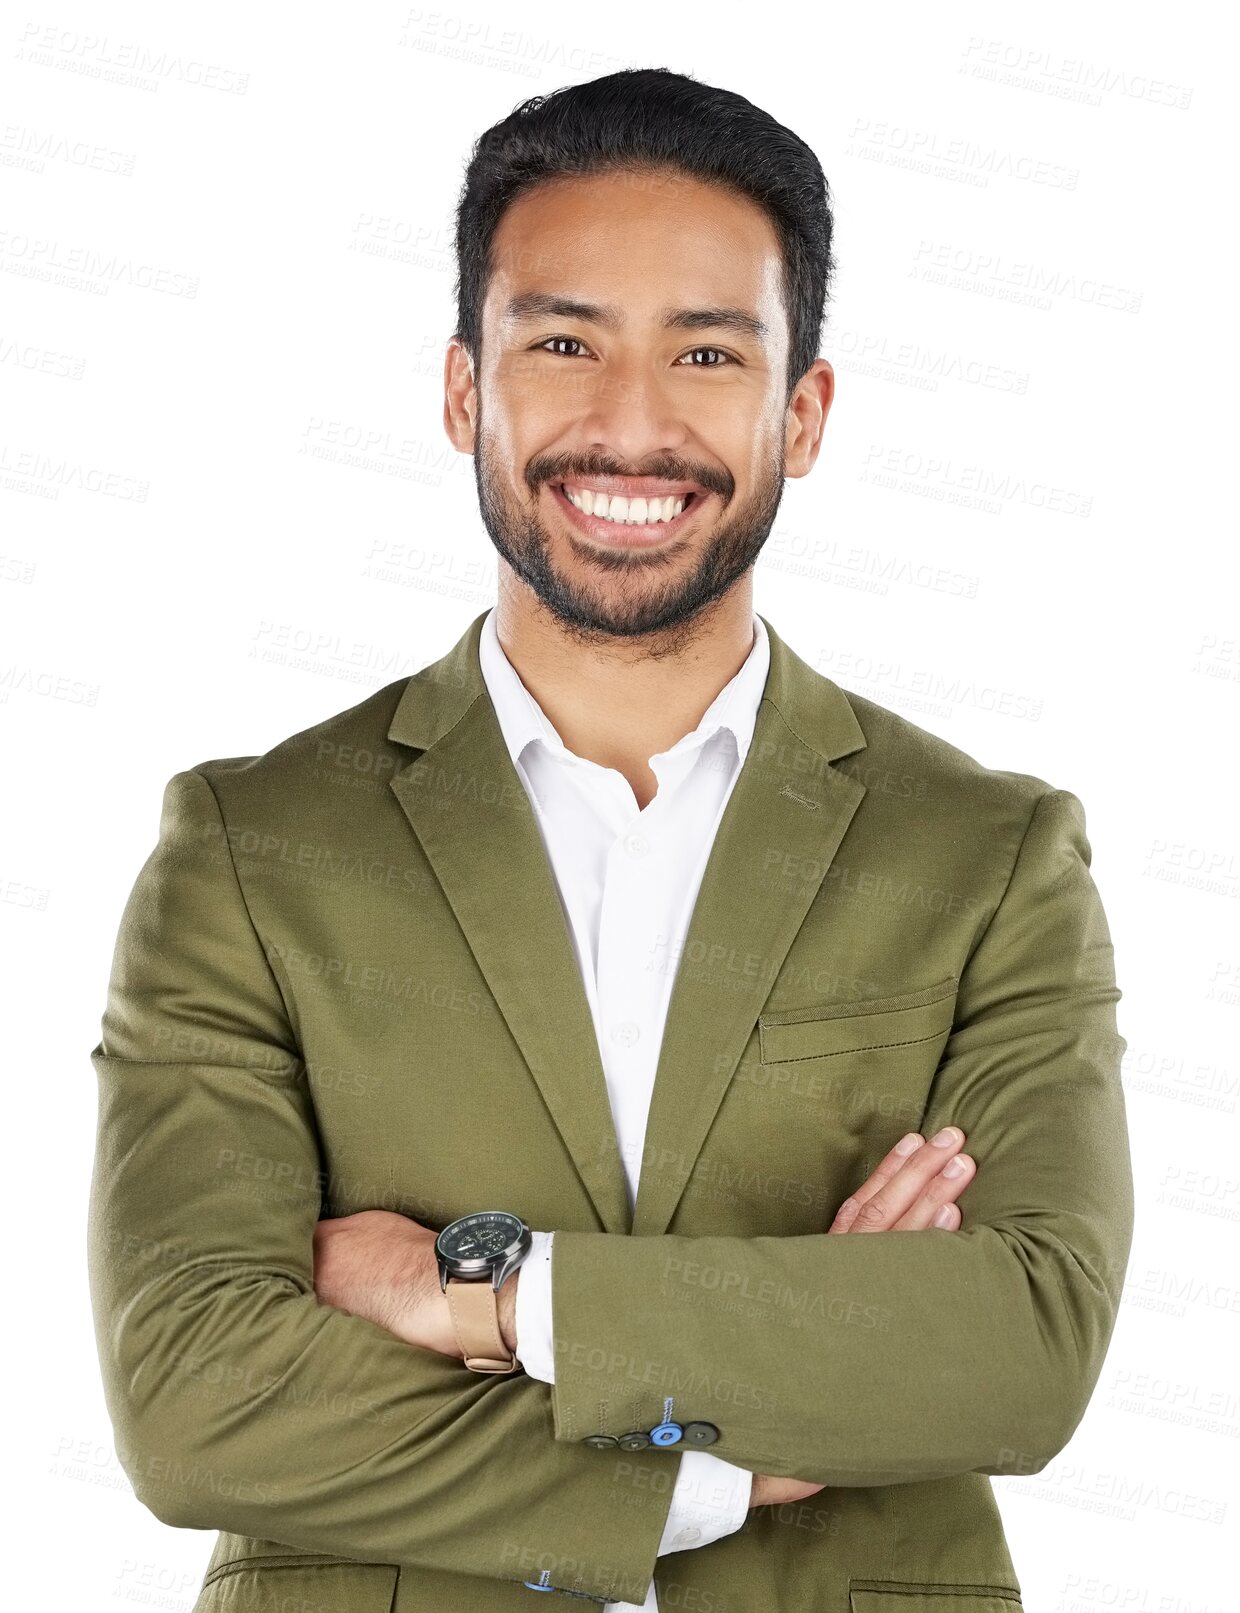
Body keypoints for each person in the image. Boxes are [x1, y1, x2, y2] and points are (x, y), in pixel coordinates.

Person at [88, 67, 1133, 1613]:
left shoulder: (989, 857)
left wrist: (493, 1299)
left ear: (806, 408)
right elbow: (194, 1395)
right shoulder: (249, 848)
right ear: (463, 390)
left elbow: (1022, 1349)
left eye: (706, 351)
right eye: (564, 341)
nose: (631, 425)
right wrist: (721, 1459)